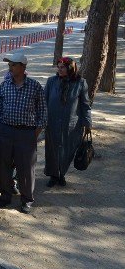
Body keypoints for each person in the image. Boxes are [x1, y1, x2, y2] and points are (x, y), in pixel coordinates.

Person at [0, 53, 47, 214]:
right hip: (6, 131)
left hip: (26, 133)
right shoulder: (5, 85)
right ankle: (5, 194)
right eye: (9, 65)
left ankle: (26, 199)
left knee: (26, 168)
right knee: (4, 165)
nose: (10, 68)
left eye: (13, 65)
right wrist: (0, 126)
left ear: (23, 67)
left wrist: (36, 131)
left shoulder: (34, 86)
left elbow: (42, 111)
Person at [44, 57, 91, 187]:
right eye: (58, 67)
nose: (59, 70)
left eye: (62, 67)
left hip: (72, 125)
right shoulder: (51, 81)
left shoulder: (81, 83)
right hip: (52, 123)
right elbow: (44, 102)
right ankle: (53, 175)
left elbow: (85, 105)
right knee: (52, 150)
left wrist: (87, 123)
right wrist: (42, 119)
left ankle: (62, 174)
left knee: (68, 150)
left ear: (70, 68)